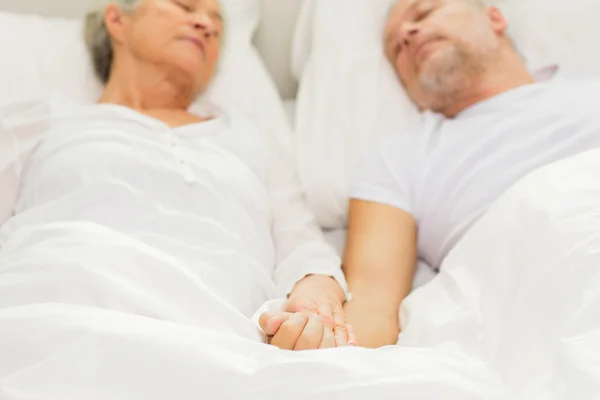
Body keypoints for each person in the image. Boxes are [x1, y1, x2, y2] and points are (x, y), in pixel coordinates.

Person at [0, 0, 353, 351]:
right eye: (185, 7)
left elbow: (302, 245)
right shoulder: (40, 123)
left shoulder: (250, 138)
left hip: (224, 336)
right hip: (58, 309)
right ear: (117, 20)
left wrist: (315, 305)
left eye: (217, 26)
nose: (206, 25)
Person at [342, 0, 600, 348]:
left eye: (424, 13)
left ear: (495, 17)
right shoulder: (398, 158)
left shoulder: (589, 90)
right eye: (395, 49)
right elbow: (370, 306)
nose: (406, 34)